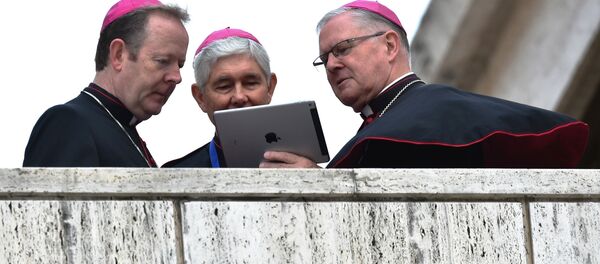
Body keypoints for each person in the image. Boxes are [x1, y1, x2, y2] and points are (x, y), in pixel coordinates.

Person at [260, 0, 589, 168]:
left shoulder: (441, 110)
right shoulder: (374, 127)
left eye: (343, 48)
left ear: (389, 46)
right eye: (324, 58)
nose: (332, 64)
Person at [23, 0, 189, 167]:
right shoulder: (67, 123)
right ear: (118, 55)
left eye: (180, 65)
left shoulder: (124, 128)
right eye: (162, 61)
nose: (177, 77)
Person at [162, 27, 277, 167]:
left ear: (270, 87)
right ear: (201, 98)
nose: (239, 97)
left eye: (250, 83)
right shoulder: (175, 176)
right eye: (224, 86)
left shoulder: (306, 162)